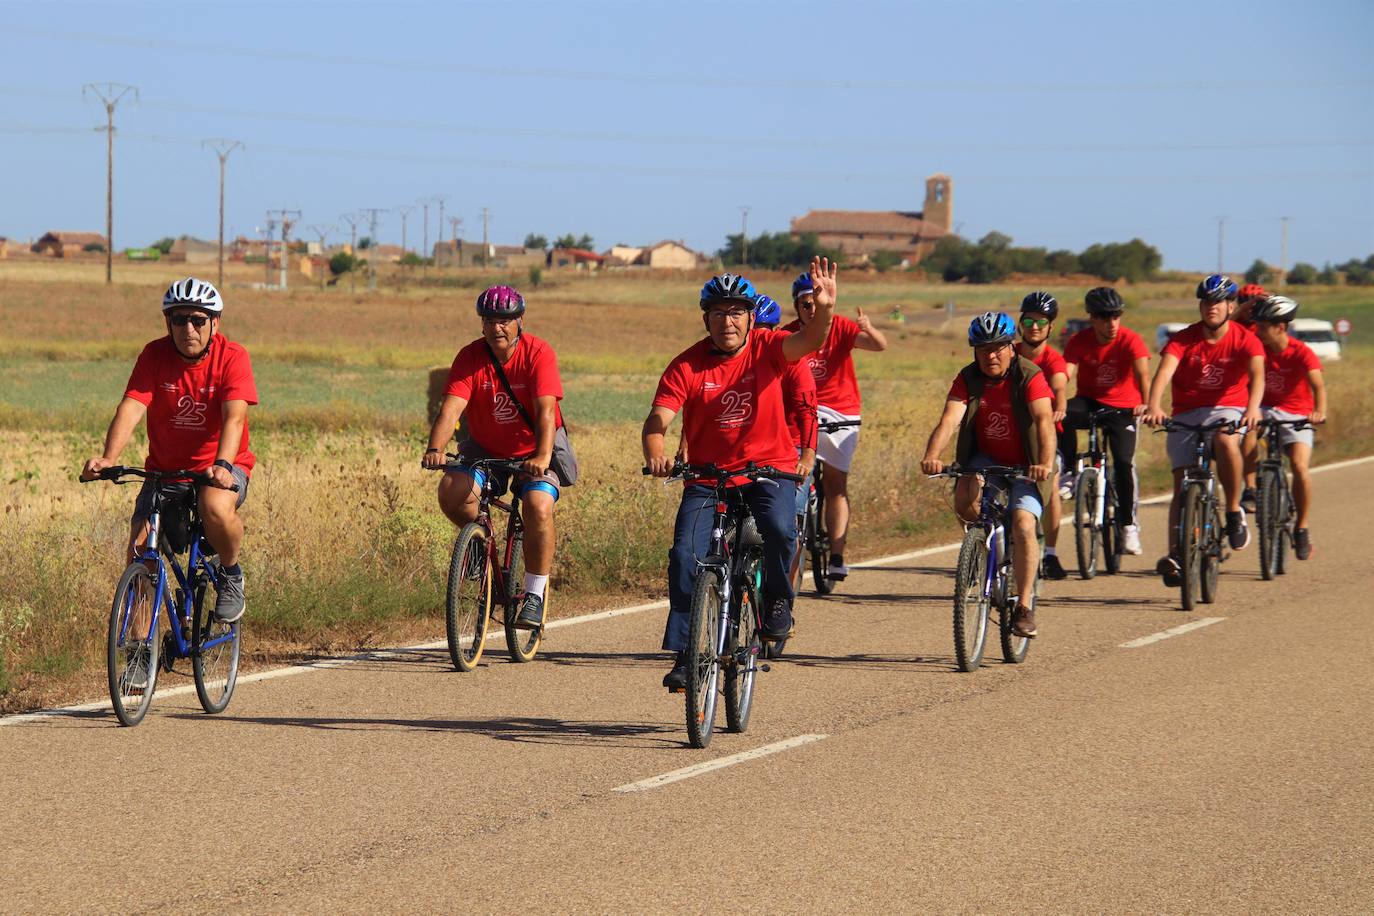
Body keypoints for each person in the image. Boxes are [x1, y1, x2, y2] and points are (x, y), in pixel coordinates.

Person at [644, 260, 837, 690]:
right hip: (708, 477)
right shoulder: (687, 365)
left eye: (736, 313)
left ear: (751, 318)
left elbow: (809, 338)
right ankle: (685, 652)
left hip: (769, 470)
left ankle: (777, 603)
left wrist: (822, 309)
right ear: (705, 318)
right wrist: (657, 452)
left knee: (780, 529)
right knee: (683, 556)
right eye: (717, 312)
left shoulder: (770, 348)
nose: (726, 321)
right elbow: (658, 419)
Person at [80, 277, 257, 640]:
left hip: (221, 467)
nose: (187, 328)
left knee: (215, 506)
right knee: (141, 549)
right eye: (178, 320)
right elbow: (131, 407)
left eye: (197, 319)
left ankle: (230, 573)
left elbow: (234, 417)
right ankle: (139, 650)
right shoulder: (154, 355)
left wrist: (223, 466)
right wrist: (108, 457)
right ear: (167, 323)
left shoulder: (232, 356)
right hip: (165, 472)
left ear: (214, 323)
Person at [423, 285, 565, 630]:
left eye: (504, 320)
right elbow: (451, 408)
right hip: (485, 448)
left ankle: (534, 594)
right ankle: (478, 545)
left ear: (520, 322)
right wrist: (435, 449)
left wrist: (543, 455)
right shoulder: (471, 357)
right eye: (489, 320)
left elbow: (547, 411)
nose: (496, 327)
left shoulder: (538, 353)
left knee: (537, 506)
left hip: (534, 451)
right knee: (452, 491)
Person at [920, 312, 1056, 638]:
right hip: (985, 456)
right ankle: (980, 552)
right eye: (983, 349)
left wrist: (1045, 463)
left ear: (1011, 348)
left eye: (997, 348)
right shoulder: (968, 378)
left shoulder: (1029, 374)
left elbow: (1044, 422)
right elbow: (950, 419)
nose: (990, 356)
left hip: (1028, 461)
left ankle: (1023, 606)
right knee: (965, 496)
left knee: (1023, 524)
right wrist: (932, 455)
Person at [1142, 275, 1264, 586]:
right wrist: (1154, 405)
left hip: (1228, 407)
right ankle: (1175, 555)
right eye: (1207, 302)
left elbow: (1258, 375)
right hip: (1186, 412)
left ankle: (1234, 510)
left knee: (1225, 441)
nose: (1212, 308)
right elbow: (1164, 372)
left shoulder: (1244, 338)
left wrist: (1252, 409)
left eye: (1218, 302)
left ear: (1230, 306)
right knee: (1181, 484)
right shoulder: (1183, 338)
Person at [783, 271, 887, 583]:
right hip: (802, 411)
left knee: (835, 483)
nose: (811, 310)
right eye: (804, 304)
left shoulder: (840, 326)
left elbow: (878, 346)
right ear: (797, 307)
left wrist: (868, 328)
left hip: (840, 411)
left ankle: (838, 554)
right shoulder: (788, 335)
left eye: (814, 303)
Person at [1061, 287, 1151, 556]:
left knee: (1123, 464)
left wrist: (1146, 404)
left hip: (1124, 407)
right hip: (1089, 400)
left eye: (1116, 316)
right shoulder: (1079, 340)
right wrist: (1051, 398)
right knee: (1060, 415)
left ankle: (1128, 526)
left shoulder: (1130, 340)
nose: (1111, 323)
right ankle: (1069, 471)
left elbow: (1143, 374)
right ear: (1092, 318)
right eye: (1104, 317)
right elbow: (1065, 374)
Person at [1242, 295, 1327, 559]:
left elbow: (1318, 386)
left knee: (1300, 467)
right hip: (1265, 408)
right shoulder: (1257, 349)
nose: (1258, 330)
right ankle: (1252, 488)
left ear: (1280, 327)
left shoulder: (1301, 352)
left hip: (1298, 413)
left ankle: (1301, 527)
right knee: (1248, 431)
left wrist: (1319, 411)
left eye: (1264, 325)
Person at [754, 294, 819, 590]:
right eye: (752, 330)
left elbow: (807, 409)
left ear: (776, 329)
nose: (756, 337)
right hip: (748, 450)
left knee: (787, 523)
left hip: (789, 449)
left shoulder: (790, 360)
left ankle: (782, 596)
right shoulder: (733, 360)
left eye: (763, 330)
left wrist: (806, 456)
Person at [1015, 292, 1070, 579]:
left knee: (1051, 484)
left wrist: (1059, 407)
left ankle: (1050, 553)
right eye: (1028, 321)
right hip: (1008, 435)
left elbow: (1059, 387)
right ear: (1020, 324)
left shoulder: (1053, 360)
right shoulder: (1008, 354)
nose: (1034, 327)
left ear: (1050, 327)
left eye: (1041, 322)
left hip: (1044, 436)